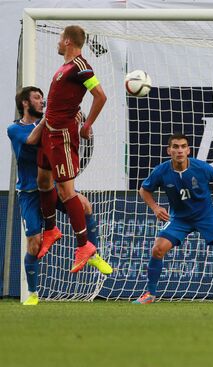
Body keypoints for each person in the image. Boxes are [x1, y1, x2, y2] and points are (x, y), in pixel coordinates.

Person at [8, 86, 112, 306]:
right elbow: (32, 141)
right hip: (29, 193)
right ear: (25, 103)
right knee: (34, 245)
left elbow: (64, 133)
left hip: (51, 186)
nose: (42, 101)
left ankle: (91, 253)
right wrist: (52, 117)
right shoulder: (14, 128)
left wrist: (78, 122)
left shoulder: (49, 122)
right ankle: (33, 294)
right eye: (37, 98)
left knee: (85, 206)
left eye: (43, 98)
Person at [133, 133, 213, 304]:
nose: (179, 150)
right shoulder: (161, 171)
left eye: (183, 147)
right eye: (175, 147)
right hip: (179, 218)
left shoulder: (201, 167)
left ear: (188, 150)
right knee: (158, 249)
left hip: (205, 216)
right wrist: (155, 207)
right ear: (169, 150)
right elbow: (144, 190)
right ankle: (150, 294)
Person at [37, 25, 107, 273]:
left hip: (63, 136)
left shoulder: (81, 66)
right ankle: (51, 229)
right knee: (43, 181)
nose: (57, 43)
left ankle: (84, 245)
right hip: (49, 134)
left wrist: (87, 125)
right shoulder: (66, 67)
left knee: (67, 192)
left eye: (59, 38)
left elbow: (100, 95)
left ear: (67, 41)